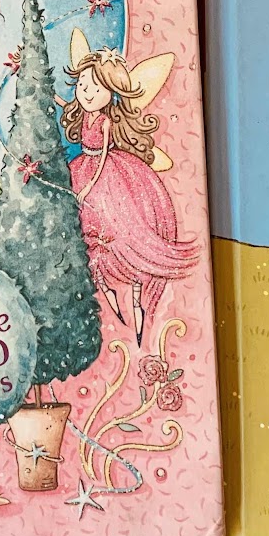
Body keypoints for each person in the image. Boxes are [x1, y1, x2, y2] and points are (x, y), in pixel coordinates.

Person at [61, 31, 194, 346]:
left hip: (106, 175)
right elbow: (68, 107)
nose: (86, 92)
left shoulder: (106, 123)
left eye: (95, 88)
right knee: (88, 243)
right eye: (82, 85)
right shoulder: (84, 114)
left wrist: (85, 189)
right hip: (82, 167)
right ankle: (111, 301)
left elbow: (101, 159)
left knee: (121, 233)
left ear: (112, 92)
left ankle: (136, 299)